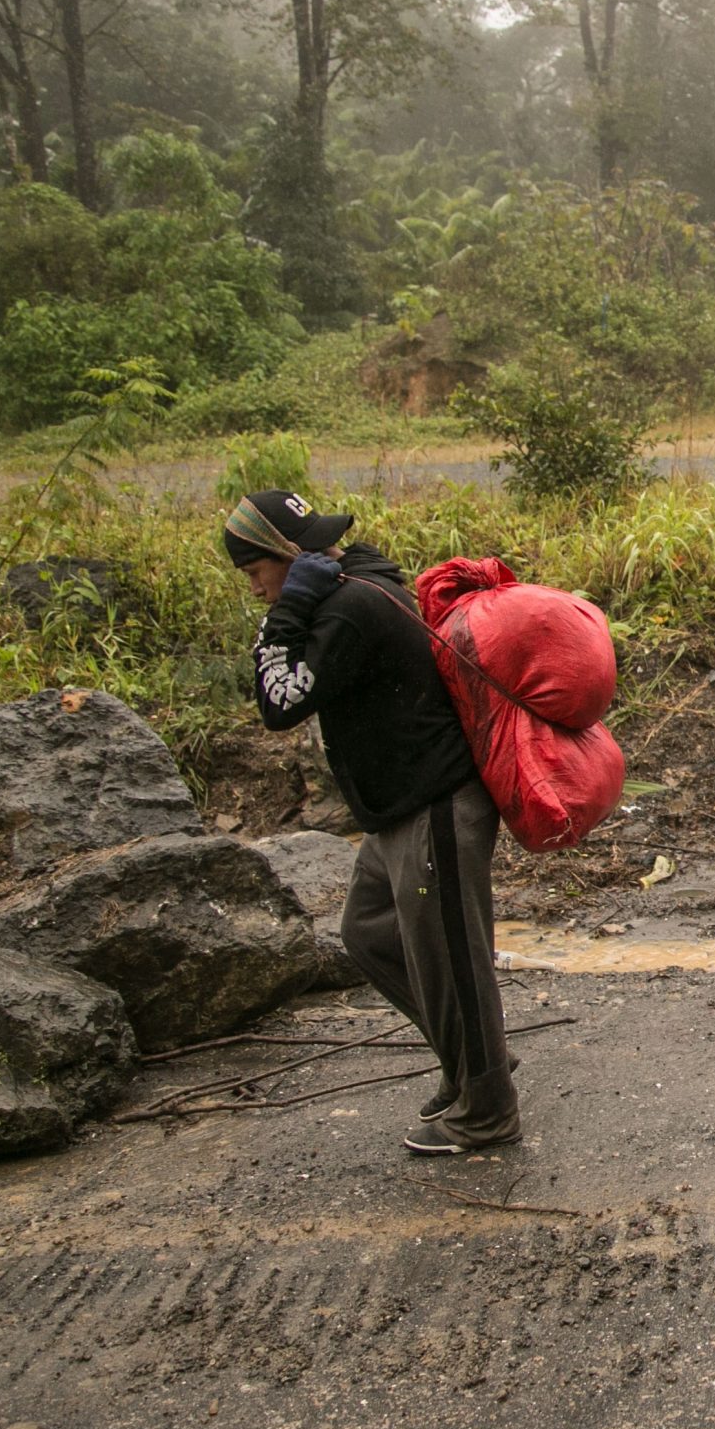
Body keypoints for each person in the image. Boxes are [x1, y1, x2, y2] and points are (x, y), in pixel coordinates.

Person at [224, 489, 521, 1155]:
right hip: (398, 810)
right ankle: (475, 1058)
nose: (255, 590)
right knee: (368, 931)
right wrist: (299, 596)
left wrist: (291, 606)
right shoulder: (358, 576)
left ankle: (488, 1107)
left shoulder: (348, 604)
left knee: (452, 958)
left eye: (255, 573)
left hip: (436, 805)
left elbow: (279, 701)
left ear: (285, 556)